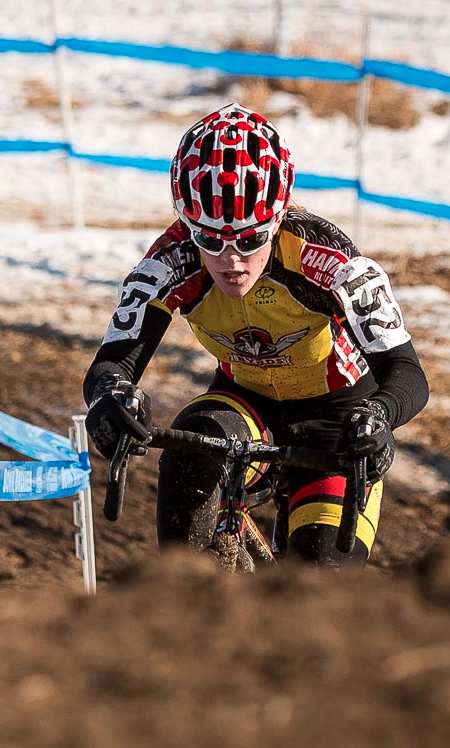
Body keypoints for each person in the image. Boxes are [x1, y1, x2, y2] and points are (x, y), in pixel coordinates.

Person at [82, 102, 429, 568]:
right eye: (210, 240)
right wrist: (111, 398)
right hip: (244, 403)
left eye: (250, 240)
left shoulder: (325, 258)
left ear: (278, 219)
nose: (231, 261)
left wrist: (379, 417)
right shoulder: (169, 261)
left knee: (319, 593)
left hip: (340, 419)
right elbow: (113, 365)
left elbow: (407, 373)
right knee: (192, 445)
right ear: (187, 225)